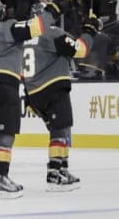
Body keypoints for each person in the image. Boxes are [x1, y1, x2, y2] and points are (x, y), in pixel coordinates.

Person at [0, 0, 65, 199]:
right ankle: (0, 177)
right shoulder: (9, 27)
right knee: (5, 135)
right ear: (1, 13)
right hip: (4, 86)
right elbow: (39, 25)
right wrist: (55, 8)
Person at [23, 10, 99, 191]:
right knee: (59, 130)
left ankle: (63, 169)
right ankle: (54, 175)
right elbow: (80, 50)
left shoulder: (25, 37)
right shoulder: (52, 33)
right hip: (53, 87)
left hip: (33, 92)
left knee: (63, 127)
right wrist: (89, 30)